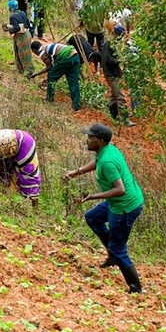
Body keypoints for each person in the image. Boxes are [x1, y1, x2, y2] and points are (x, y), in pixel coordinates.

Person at [64, 123, 144, 293]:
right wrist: (76, 172)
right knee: (92, 218)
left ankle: (136, 288)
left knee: (118, 247)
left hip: (125, 207)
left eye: (90, 137)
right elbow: (97, 161)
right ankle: (112, 255)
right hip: (120, 202)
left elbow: (120, 189)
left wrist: (94, 196)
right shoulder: (107, 151)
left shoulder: (107, 161)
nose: (87, 140)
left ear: (100, 141)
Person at [30, 40, 82, 111]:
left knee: (51, 75)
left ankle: (49, 98)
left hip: (66, 57)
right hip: (75, 55)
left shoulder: (41, 51)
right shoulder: (47, 46)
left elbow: (49, 67)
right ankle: (77, 106)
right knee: (73, 83)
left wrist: (35, 74)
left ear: (34, 50)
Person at [101, 24, 135, 126]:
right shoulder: (109, 45)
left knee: (113, 95)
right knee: (120, 96)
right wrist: (120, 60)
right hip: (111, 73)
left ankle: (113, 115)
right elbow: (108, 59)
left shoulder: (117, 45)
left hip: (115, 73)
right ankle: (125, 120)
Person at [3, 0, 34, 77]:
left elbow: (16, 28)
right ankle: (26, 70)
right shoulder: (22, 12)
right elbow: (27, 24)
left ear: (10, 8)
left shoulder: (12, 17)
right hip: (27, 34)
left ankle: (27, 71)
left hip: (21, 37)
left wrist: (8, 30)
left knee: (22, 54)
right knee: (27, 54)